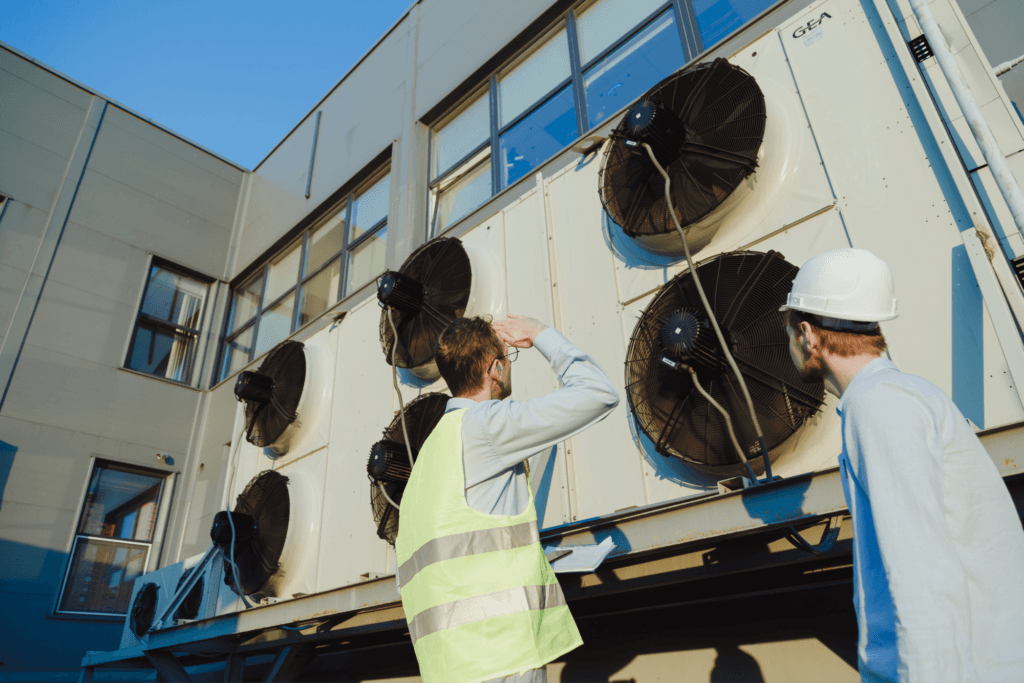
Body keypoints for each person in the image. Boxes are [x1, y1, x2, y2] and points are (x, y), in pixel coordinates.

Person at [780, 247, 1024, 683]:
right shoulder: (899, 396)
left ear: (808, 334)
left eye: (787, 331)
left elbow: (921, 576)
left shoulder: (879, 407)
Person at [394, 313, 619, 683]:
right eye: (508, 359)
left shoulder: (429, 459)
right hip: (502, 654)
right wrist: (539, 334)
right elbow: (598, 393)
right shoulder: (486, 426)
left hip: (449, 668)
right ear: (495, 368)